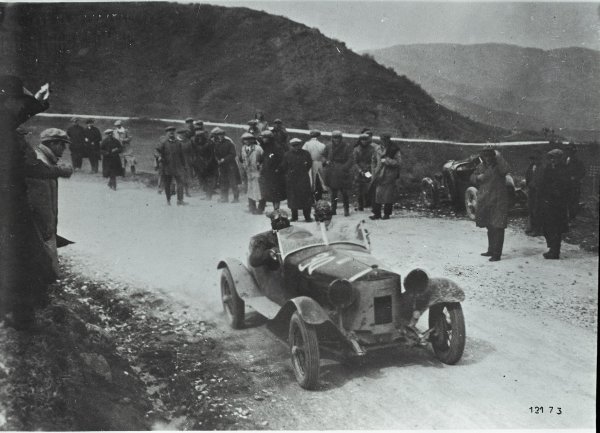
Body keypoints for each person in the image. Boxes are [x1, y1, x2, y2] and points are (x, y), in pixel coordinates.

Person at [1, 74, 57, 329]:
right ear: (6, 99)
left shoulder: (4, 116)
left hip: (10, 197)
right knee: (19, 254)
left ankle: (15, 312)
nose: (20, 107)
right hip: (7, 199)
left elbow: (16, 116)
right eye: (18, 101)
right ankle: (20, 316)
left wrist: (37, 101)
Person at [26, 128, 73, 274]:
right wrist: (47, 231)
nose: (64, 149)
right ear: (52, 143)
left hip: (46, 226)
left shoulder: (46, 160)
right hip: (42, 227)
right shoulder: (40, 160)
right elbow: (39, 201)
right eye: (62, 144)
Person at [469, 147, 510, 262]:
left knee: (498, 226)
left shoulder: (499, 166)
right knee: (489, 226)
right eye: (485, 156)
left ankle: (497, 254)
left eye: (490, 156)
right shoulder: (481, 167)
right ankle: (491, 250)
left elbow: (506, 169)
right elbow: (471, 177)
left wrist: (499, 156)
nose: (487, 158)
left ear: (493, 156)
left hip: (498, 200)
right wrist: (477, 177)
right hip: (486, 200)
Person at [539, 149, 570, 259]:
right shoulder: (549, 168)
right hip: (548, 201)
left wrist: (554, 191)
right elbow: (544, 182)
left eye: (554, 158)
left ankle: (555, 251)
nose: (552, 160)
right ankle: (552, 248)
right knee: (548, 226)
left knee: (556, 227)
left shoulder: (564, 169)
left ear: (560, 158)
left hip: (558, 203)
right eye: (551, 158)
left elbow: (564, 186)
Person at [370, 133, 401, 220]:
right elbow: (373, 160)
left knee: (388, 195)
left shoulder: (394, 149)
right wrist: (374, 170)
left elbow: (398, 162)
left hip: (389, 174)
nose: (383, 141)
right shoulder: (378, 148)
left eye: (385, 139)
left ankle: (387, 214)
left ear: (388, 139)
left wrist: (387, 160)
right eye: (382, 139)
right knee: (377, 194)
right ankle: (377, 213)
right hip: (379, 174)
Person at [281, 138, 313, 222]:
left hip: (303, 178)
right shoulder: (287, 154)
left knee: (305, 197)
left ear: (300, 145)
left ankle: (307, 216)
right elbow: (284, 166)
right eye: (294, 145)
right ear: (291, 146)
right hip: (292, 179)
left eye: (297, 145)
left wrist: (303, 171)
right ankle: (294, 216)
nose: (296, 147)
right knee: (292, 197)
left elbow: (309, 164)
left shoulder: (306, 153)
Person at [324, 130, 353, 216]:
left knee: (344, 192)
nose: (336, 139)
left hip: (342, 171)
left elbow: (351, 158)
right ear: (332, 138)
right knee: (333, 192)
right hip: (332, 170)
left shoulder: (346, 146)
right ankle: (333, 209)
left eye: (338, 137)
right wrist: (326, 161)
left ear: (341, 138)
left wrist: (345, 167)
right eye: (334, 137)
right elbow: (323, 155)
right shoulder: (329, 146)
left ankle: (346, 209)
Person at [156, 126, 187, 205]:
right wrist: (159, 157)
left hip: (178, 166)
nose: (171, 133)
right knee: (167, 184)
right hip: (167, 166)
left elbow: (182, 155)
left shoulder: (178, 143)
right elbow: (157, 151)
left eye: (173, 132)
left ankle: (180, 200)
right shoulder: (163, 143)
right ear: (167, 133)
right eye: (169, 132)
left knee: (180, 183)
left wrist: (184, 166)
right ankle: (168, 200)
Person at [258, 129, 286, 211]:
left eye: (265, 137)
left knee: (276, 192)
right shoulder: (264, 147)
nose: (263, 139)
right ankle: (261, 208)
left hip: (275, 174)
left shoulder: (277, 148)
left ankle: (276, 209)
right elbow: (262, 158)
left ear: (269, 138)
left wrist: (278, 169)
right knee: (264, 190)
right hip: (266, 173)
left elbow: (282, 160)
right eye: (263, 137)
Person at [212, 127, 241, 203]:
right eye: (218, 135)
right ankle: (225, 198)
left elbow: (233, 154)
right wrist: (217, 160)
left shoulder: (229, 143)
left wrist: (224, 159)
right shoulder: (217, 144)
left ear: (224, 135)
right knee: (223, 182)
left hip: (231, 166)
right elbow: (216, 154)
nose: (220, 136)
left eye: (221, 134)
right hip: (222, 166)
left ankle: (236, 198)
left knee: (233, 182)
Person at [192, 123, 217, 200]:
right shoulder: (195, 143)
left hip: (209, 164)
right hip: (200, 165)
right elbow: (194, 153)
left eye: (200, 136)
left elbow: (212, 155)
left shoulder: (209, 143)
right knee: (202, 180)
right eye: (197, 136)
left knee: (209, 179)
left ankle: (209, 196)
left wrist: (208, 163)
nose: (199, 138)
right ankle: (207, 194)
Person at [240, 132, 263, 214]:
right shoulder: (243, 148)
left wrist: (259, 166)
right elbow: (242, 158)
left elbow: (262, 159)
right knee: (249, 190)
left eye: (249, 139)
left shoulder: (258, 148)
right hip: (248, 171)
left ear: (253, 140)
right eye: (245, 140)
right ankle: (252, 207)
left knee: (258, 190)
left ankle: (260, 208)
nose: (247, 141)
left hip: (256, 171)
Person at [302, 129, 327, 201]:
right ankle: (319, 198)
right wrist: (323, 163)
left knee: (311, 181)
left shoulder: (307, 144)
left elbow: (303, 154)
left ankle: (311, 199)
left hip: (309, 164)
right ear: (318, 136)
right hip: (319, 164)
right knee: (319, 181)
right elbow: (324, 157)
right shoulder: (322, 145)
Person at [353, 133, 375, 211]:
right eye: (362, 140)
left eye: (366, 140)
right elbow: (355, 162)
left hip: (369, 171)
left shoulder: (372, 149)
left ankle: (369, 204)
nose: (364, 141)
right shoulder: (356, 149)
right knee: (358, 189)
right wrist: (360, 170)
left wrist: (368, 169)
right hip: (359, 172)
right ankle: (360, 205)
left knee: (369, 187)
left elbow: (373, 160)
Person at [564, 143, 585, 220]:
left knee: (573, 201)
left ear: (574, 151)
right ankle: (567, 217)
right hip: (566, 184)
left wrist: (575, 178)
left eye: (570, 150)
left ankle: (572, 218)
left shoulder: (578, 161)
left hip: (574, 185)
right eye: (567, 150)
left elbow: (583, 172)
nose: (568, 151)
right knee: (567, 200)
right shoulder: (566, 159)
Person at [524, 151, 543, 236]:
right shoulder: (531, 167)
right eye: (532, 159)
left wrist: (535, 185)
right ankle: (531, 227)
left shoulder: (541, 167)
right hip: (531, 190)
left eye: (534, 159)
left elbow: (541, 179)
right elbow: (527, 176)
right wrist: (529, 184)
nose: (533, 161)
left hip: (538, 191)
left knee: (537, 210)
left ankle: (537, 229)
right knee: (531, 208)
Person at [177, 127, 194, 197]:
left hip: (187, 162)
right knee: (178, 177)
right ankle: (176, 191)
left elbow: (192, 152)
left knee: (186, 178)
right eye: (181, 134)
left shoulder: (189, 142)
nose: (183, 135)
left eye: (184, 134)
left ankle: (187, 192)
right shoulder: (176, 142)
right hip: (178, 162)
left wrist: (191, 161)